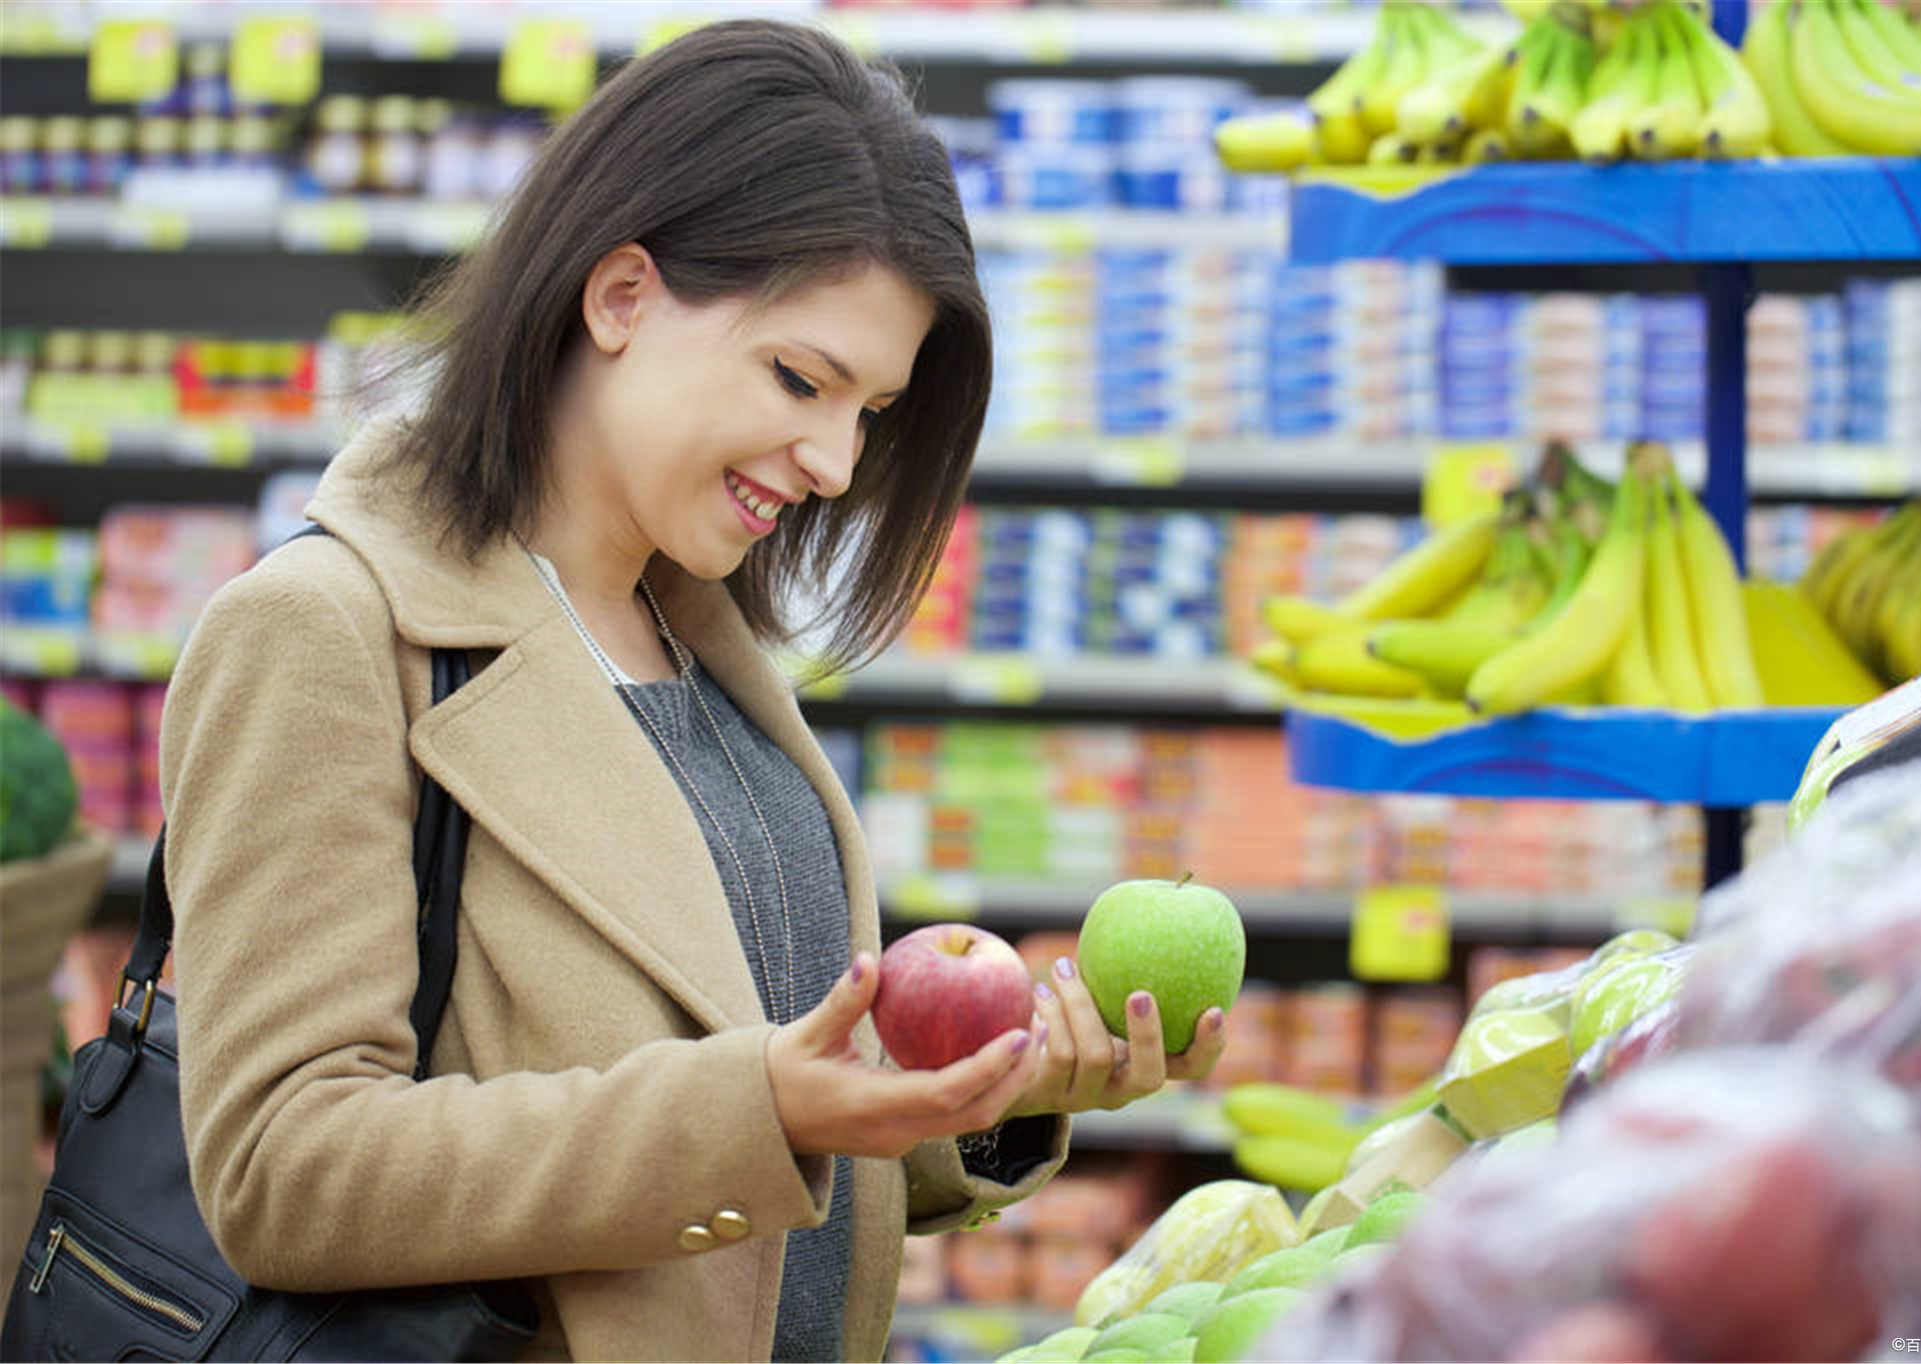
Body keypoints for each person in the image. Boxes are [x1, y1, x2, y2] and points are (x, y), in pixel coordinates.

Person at [157, 19, 1226, 1364]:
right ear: (618, 298)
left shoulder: (698, 644)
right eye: (800, 378)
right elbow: (283, 1171)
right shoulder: (320, 635)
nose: (837, 461)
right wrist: (760, 1109)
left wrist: (964, 1100)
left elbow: (751, 1116)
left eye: (872, 412)